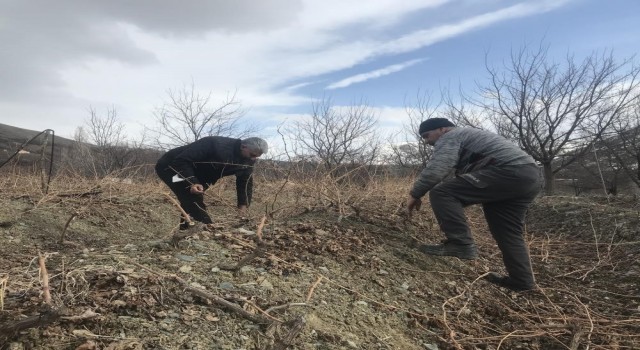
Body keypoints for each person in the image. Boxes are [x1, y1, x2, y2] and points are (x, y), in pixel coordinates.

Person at [406, 118, 542, 292]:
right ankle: (522, 282)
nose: (426, 141)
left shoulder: (451, 135)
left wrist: (415, 193)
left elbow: (438, 167)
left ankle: (461, 244)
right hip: (530, 177)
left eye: (427, 135)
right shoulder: (470, 137)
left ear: (442, 129)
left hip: (509, 171)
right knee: (507, 232)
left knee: (442, 193)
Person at [155, 136, 268, 230]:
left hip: (201, 176)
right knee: (192, 198)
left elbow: (245, 182)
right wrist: (192, 182)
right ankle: (206, 230)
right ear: (243, 146)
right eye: (252, 155)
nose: (254, 159)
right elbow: (181, 161)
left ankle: (186, 232)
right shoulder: (214, 143)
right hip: (172, 168)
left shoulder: (248, 161)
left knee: (191, 201)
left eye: (257, 157)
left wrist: (242, 206)